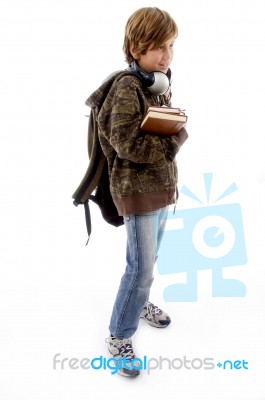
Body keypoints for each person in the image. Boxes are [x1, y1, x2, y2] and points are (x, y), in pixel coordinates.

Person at [86, 7, 188, 377]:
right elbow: (126, 142)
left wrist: (170, 124)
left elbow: (152, 130)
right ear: (135, 47)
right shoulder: (127, 87)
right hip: (136, 190)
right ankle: (119, 335)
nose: (166, 55)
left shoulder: (155, 84)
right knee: (140, 267)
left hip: (159, 187)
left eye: (171, 46)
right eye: (158, 46)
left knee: (148, 262)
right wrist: (173, 141)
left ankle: (138, 302)